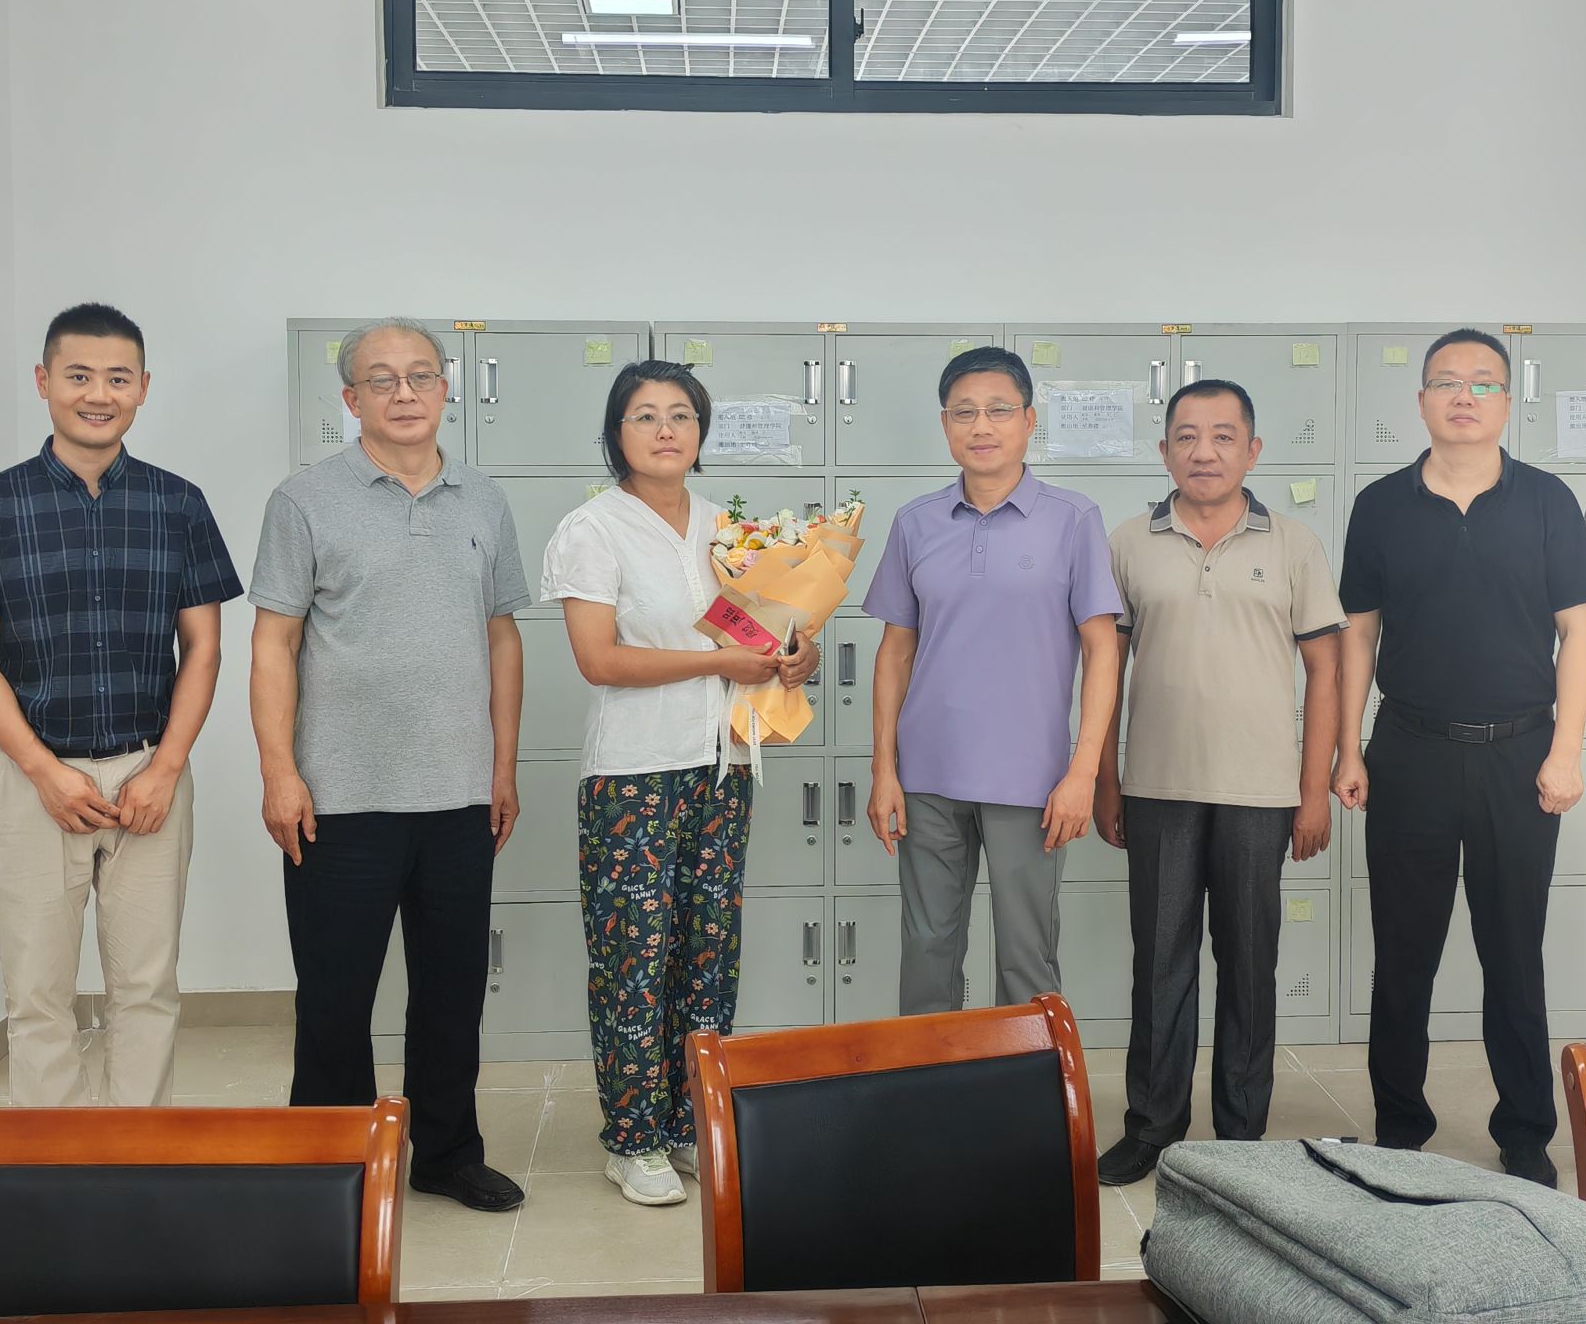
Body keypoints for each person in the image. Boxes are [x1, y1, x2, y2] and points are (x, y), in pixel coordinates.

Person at [0, 303, 241, 1106]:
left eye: (117, 378)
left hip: (148, 773)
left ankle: (136, 1158)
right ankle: (52, 1163)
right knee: (37, 995)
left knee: (147, 988)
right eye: (78, 376)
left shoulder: (179, 505)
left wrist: (165, 769)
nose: (98, 394)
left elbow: (203, 649)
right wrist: (43, 771)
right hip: (33, 778)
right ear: (44, 382)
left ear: (143, 388)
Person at [249, 317, 529, 1213]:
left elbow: (502, 636)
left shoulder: (484, 500)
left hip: (458, 794)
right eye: (382, 379)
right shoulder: (304, 500)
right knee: (336, 998)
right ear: (351, 398)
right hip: (340, 797)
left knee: (450, 994)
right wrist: (280, 771)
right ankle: (330, 1162)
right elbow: (273, 643)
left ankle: (446, 1153)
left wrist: (502, 767)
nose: (404, 393)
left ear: (446, 388)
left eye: (420, 376)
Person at [542, 360, 819, 1207]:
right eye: (644, 415)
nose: (665, 430)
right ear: (616, 432)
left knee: (708, 953)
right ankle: (632, 1138)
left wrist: (795, 658)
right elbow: (598, 660)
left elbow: (770, 633)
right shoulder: (593, 528)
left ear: (700, 433)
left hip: (723, 766)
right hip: (633, 775)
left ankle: (689, 1122)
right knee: (635, 957)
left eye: (681, 415)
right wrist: (718, 661)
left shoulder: (729, 528)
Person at [1334, 327, 1586, 1188]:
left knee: (1514, 952)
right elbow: (1358, 635)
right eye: (1447, 381)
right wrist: (1349, 747)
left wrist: (1567, 752)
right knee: (1402, 952)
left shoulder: (1547, 501)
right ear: (1420, 400)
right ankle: (1399, 1126)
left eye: (1483, 383)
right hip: (1408, 750)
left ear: (1507, 401)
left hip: (1519, 756)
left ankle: (1524, 1130)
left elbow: (1581, 633)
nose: (1465, 396)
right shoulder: (1380, 504)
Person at [1092, 379, 1345, 1185]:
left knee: (1248, 963)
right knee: (1159, 963)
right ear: (1164, 450)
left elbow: (1326, 670)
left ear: (1253, 450)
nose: (1204, 452)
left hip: (1261, 793)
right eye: (1187, 437)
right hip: (1157, 787)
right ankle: (1152, 1126)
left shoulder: (1294, 544)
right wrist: (1105, 780)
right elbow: (1105, 670)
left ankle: (1240, 1134)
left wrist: (1313, 791)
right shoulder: (1128, 543)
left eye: (1223, 436)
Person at [863, 346, 1121, 1015]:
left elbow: (1103, 651)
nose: (981, 426)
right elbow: (894, 655)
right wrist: (884, 770)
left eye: (999, 410)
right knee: (927, 950)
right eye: (964, 412)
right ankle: (932, 1079)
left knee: (1027, 959)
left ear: (1029, 420)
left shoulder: (1073, 519)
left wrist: (1083, 773)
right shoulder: (916, 522)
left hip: (1032, 782)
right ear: (945, 424)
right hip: (927, 777)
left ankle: (1026, 1083)